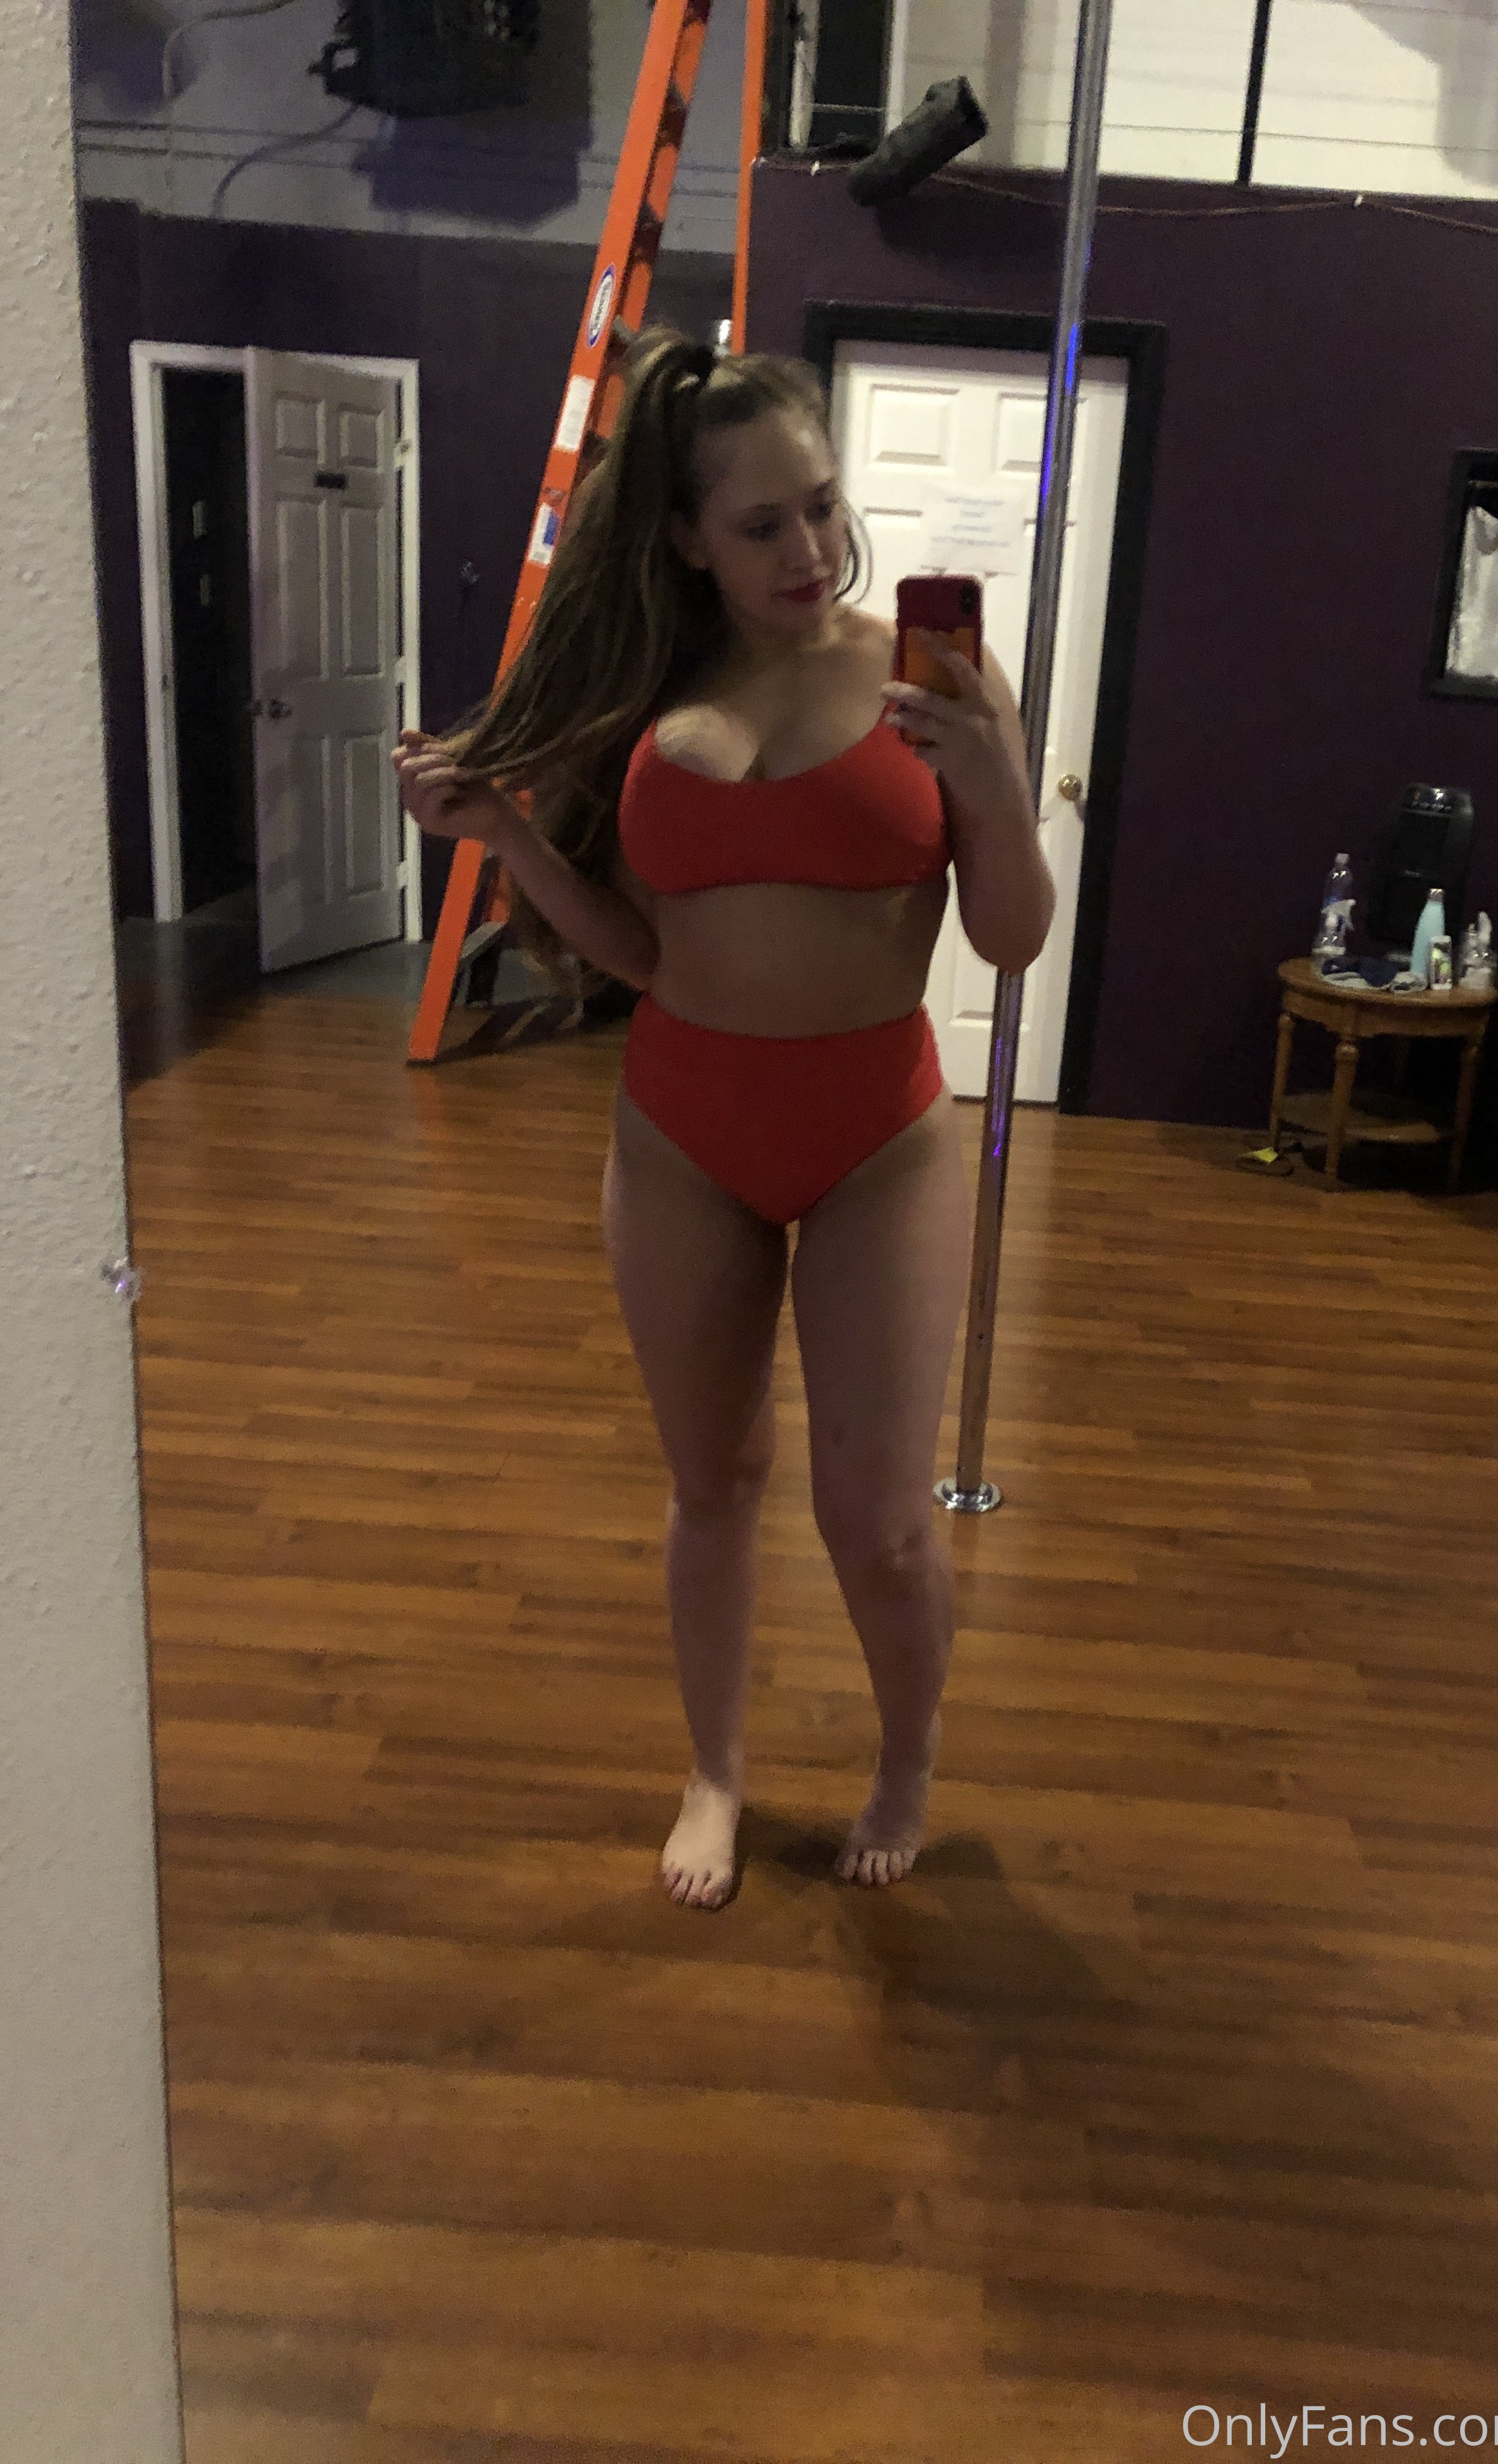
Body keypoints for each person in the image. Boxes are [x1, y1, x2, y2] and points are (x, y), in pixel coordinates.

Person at [393, 331, 1053, 1909]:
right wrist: (503, 839)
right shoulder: (642, 693)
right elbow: (640, 955)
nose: (810, 550)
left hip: (878, 1134)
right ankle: (716, 1772)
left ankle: (905, 1761)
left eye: (821, 506)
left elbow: (1012, 938)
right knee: (712, 1484)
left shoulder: (936, 682)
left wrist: (994, 782)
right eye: (762, 525)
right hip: (684, 1131)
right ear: (687, 536)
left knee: (878, 1525)